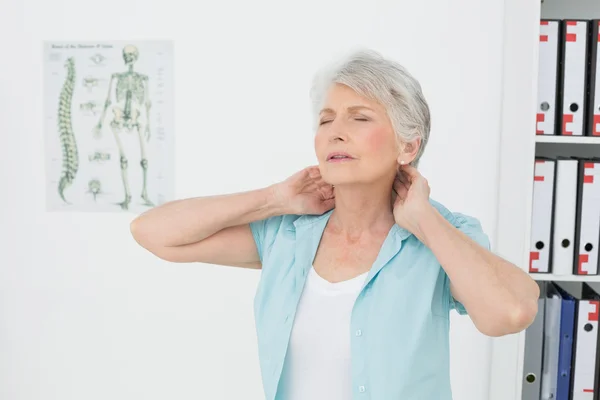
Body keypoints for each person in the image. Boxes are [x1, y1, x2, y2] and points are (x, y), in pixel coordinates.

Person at [129, 49, 540, 400]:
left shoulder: (442, 236)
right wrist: (274, 198)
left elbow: (511, 312)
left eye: (359, 119)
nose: (335, 133)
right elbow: (154, 233)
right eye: (326, 120)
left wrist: (424, 220)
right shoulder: (286, 234)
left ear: (408, 146)